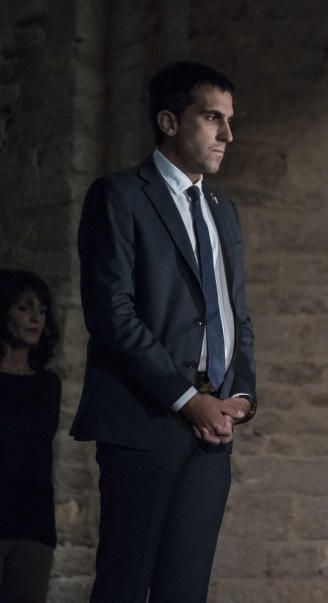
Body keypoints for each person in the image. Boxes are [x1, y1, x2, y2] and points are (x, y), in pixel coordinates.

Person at [72, 61, 257, 602]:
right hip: (143, 420)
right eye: (212, 118)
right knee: (124, 587)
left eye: (230, 121)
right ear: (169, 122)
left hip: (212, 432)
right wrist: (186, 399)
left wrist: (239, 394)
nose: (228, 134)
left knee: (185, 591)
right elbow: (112, 315)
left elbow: (234, 314)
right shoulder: (120, 196)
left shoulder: (224, 211)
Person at [0, 270, 61, 603]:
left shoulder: (47, 385)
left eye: (42, 309)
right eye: (24, 308)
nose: (36, 317)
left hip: (33, 526)